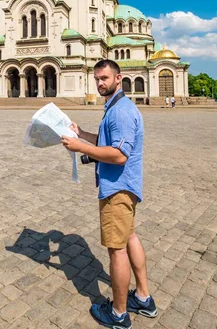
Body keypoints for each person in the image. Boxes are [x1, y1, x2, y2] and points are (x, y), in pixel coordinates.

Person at [62, 59, 157, 329]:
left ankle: (118, 314)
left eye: (104, 78)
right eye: (97, 79)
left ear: (119, 78)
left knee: (117, 250)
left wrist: (80, 147)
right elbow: (107, 143)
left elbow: (118, 155)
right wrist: (82, 134)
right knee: (129, 238)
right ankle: (143, 298)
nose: (100, 83)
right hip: (124, 187)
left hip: (118, 189)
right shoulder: (115, 107)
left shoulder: (121, 112)